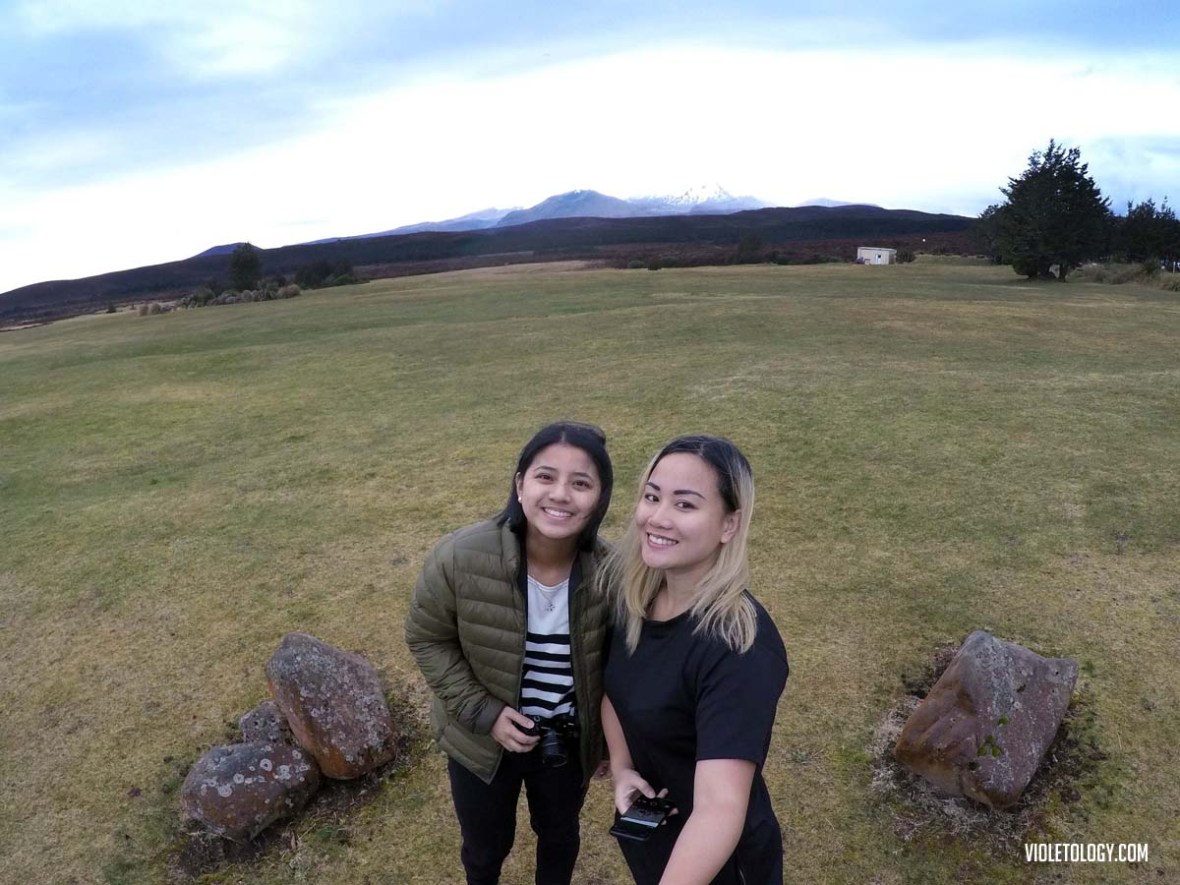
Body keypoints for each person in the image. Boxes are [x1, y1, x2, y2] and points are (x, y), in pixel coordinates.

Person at [405, 421, 614, 885]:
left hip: (567, 744)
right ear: (520, 485)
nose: (560, 494)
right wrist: (486, 714)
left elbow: (618, 668)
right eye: (545, 476)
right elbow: (427, 637)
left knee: (560, 835)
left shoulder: (614, 573)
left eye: (581, 483)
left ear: (600, 498)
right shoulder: (459, 556)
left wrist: (603, 743)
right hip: (479, 743)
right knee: (484, 848)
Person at [601, 435, 789, 885]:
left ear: (729, 524)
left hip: (718, 863)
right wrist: (622, 769)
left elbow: (719, 808)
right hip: (656, 836)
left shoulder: (738, 647)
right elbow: (615, 691)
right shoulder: (637, 599)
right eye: (652, 497)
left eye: (685, 504)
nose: (657, 517)